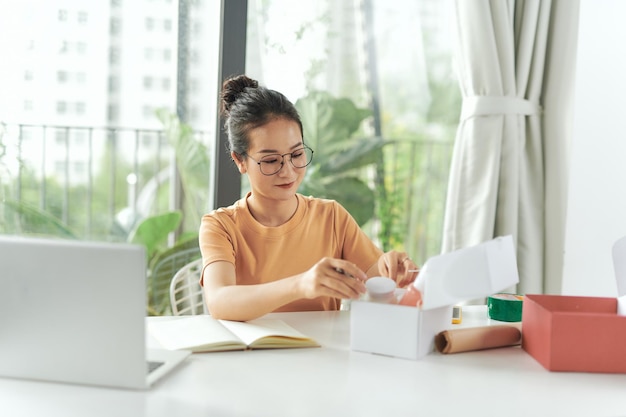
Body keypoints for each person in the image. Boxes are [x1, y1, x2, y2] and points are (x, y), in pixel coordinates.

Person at [199, 74, 419, 321]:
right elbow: (220, 301)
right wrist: (300, 285)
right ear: (239, 160)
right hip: (251, 356)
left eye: (296, 154)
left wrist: (393, 270)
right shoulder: (220, 226)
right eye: (271, 160)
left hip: (323, 355)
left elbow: (376, 279)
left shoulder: (331, 217)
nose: (288, 171)